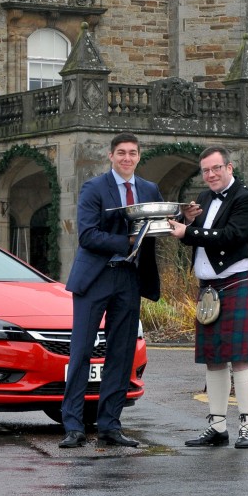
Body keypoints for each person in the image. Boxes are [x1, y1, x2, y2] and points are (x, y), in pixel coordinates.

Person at [59, 132, 162, 448]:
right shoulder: (94, 188)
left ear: (139, 156)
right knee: (82, 353)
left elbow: (156, 228)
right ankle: (74, 427)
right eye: (121, 153)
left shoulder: (149, 189)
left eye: (132, 153)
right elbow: (88, 236)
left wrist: (181, 219)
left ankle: (110, 426)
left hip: (129, 279)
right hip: (95, 279)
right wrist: (126, 242)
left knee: (121, 354)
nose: (127, 158)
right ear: (111, 156)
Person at [168, 145, 248, 449]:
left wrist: (189, 233)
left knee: (241, 358)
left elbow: (231, 236)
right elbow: (199, 237)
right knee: (214, 360)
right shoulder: (206, 198)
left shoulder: (246, 199)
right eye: (206, 170)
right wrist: (190, 222)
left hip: (236, 284)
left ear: (229, 167)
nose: (210, 175)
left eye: (216, 168)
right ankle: (218, 427)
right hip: (209, 289)